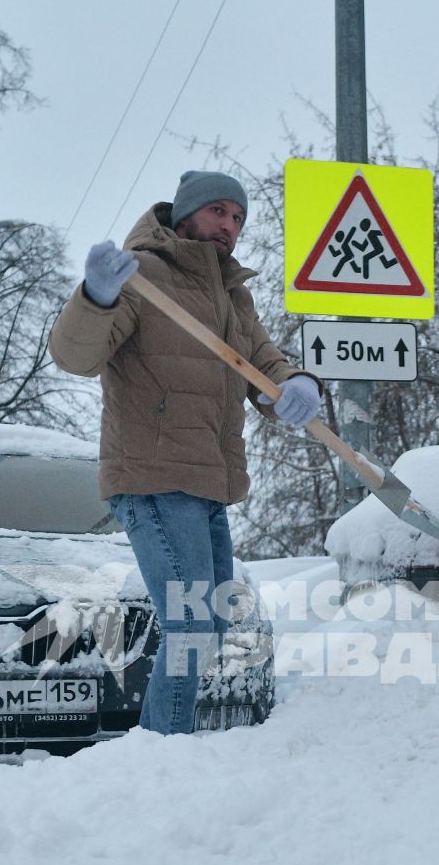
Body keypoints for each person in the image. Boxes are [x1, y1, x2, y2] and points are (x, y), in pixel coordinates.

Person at [48, 169, 321, 735]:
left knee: (210, 627)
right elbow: (76, 355)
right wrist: (96, 296)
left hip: (208, 486)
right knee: (191, 624)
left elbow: (266, 363)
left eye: (239, 217)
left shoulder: (232, 296)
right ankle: (158, 753)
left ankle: (156, 751)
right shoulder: (142, 275)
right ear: (186, 212)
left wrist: (296, 385)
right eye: (220, 211)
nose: (230, 226)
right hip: (151, 477)